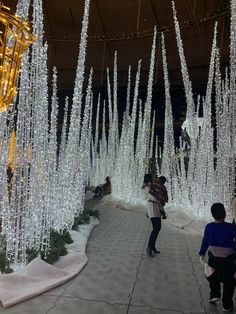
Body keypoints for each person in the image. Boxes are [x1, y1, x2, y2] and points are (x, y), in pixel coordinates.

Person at [199, 203, 236, 312]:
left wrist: (201, 254)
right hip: (228, 260)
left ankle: (214, 294)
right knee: (229, 282)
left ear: (212, 214)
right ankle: (226, 304)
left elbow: (205, 241)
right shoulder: (231, 228)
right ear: (224, 214)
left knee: (212, 276)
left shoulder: (208, 227)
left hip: (213, 259)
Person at [142, 173, 162, 257]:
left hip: (155, 207)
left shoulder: (150, 187)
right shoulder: (147, 187)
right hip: (152, 208)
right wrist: (159, 197)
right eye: (152, 178)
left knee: (157, 228)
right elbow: (152, 197)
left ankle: (152, 246)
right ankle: (149, 247)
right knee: (156, 228)